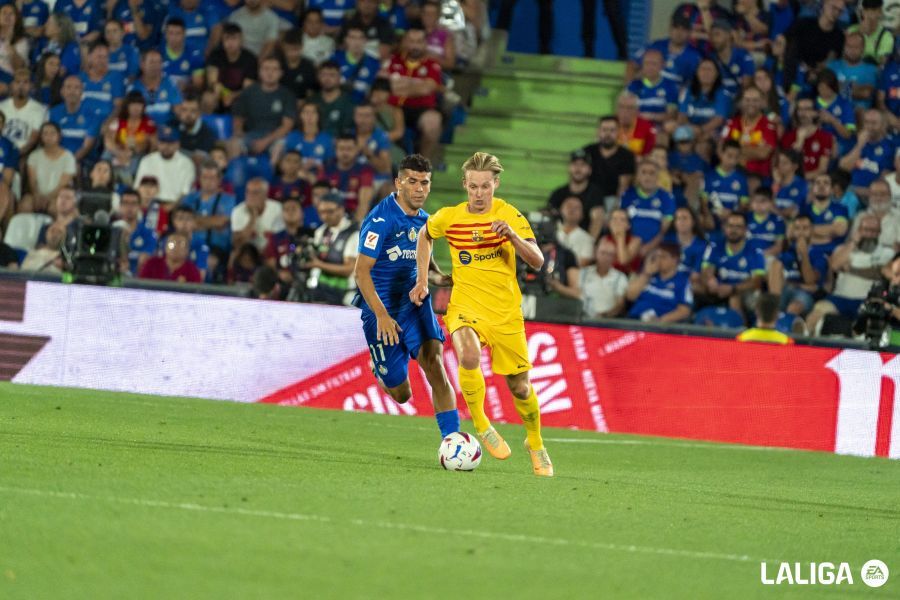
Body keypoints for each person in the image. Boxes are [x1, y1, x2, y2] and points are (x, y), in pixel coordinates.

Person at [410, 151, 553, 477]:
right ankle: (481, 422)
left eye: (485, 187)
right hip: (465, 306)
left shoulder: (509, 215)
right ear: (464, 185)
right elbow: (424, 236)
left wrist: (513, 237)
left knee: (520, 387)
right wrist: (424, 279)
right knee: (468, 356)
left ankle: (535, 442)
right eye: (473, 187)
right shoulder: (450, 217)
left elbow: (538, 261)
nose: (478, 193)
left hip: (504, 312)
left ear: (495, 184)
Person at [352, 153, 459, 438]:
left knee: (435, 364)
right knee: (401, 393)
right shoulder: (380, 220)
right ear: (398, 183)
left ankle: (452, 440)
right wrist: (382, 316)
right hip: (381, 311)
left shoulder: (426, 223)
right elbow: (361, 273)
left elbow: (429, 269)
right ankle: (380, 368)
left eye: (425, 182)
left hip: (414, 305)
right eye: (412, 181)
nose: (419, 188)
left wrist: (443, 278)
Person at [806, 214, 893, 333]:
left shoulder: (887, 253)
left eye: (874, 231)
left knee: (866, 325)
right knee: (816, 313)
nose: (869, 234)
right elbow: (834, 266)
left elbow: (880, 273)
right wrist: (853, 242)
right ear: (859, 230)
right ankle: (807, 347)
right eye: (866, 230)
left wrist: (851, 269)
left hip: (867, 300)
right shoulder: (844, 249)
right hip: (840, 297)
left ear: (879, 233)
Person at [383, 26, 443, 163]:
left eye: (419, 42)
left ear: (425, 44)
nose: (415, 46)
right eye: (411, 41)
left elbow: (427, 89)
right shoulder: (392, 61)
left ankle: (423, 165)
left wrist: (400, 85)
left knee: (433, 123)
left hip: (421, 108)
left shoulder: (432, 64)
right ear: (404, 42)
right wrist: (416, 85)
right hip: (393, 107)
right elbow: (386, 87)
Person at [701, 212, 766, 315]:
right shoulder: (715, 246)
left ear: (745, 230)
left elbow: (757, 281)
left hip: (744, 291)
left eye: (738, 227)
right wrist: (710, 280)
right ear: (724, 228)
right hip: (719, 288)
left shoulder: (754, 251)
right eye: (730, 226)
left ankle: (739, 329)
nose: (733, 230)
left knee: (734, 298)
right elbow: (706, 270)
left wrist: (733, 289)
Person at [231, 56, 296, 157]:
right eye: (266, 69)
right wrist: (239, 132)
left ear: (281, 73)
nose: (270, 73)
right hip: (251, 135)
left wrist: (266, 141)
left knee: (279, 147)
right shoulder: (248, 92)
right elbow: (238, 117)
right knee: (234, 144)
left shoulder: (287, 95)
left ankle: (270, 172)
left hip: (276, 137)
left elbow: (287, 126)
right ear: (259, 72)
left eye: (274, 69)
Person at [551, 237, 627, 319]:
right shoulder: (584, 273)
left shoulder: (620, 278)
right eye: (603, 253)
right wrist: (558, 287)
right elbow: (577, 294)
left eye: (610, 254)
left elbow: (620, 304)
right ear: (596, 253)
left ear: (614, 258)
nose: (606, 258)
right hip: (584, 320)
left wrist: (605, 316)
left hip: (609, 322)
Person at [768, 215, 828, 316]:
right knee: (775, 264)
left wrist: (804, 255)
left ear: (812, 230)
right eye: (797, 228)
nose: (801, 232)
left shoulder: (819, 255)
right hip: (784, 292)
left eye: (805, 228)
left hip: (805, 295)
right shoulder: (787, 253)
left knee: (794, 307)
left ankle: (783, 326)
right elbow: (776, 277)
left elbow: (810, 280)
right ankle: (774, 309)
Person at [306, 190, 359, 305]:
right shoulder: (321, 231)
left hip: (345, 294)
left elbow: (348, 269)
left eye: (330, 211)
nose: (325, 216)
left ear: (341, 209)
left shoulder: (353, 234)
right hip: (322, 290)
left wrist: (318, 264)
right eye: (321, 212)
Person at [625, 242, 693, 323]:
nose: (658, 260)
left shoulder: (682, 281)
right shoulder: (649, 274)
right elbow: (630, 296)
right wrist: (646, 274)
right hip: (634, 320)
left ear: (675, 260)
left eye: (663, 257)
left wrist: (661, 321)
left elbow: (684, 311)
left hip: (659, 326)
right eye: (657, 257)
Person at [619, 159, 675, 257]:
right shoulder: (627, 195)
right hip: (629, 245)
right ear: (638, 176)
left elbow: (664, 230)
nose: (647, 176)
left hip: (656, 247)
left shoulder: (667, 198)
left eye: (652, 173)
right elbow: (621, 223)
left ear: (657, 177)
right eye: (643, 172)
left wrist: (648, 247)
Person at [581, 116, 635, 215]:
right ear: (598, 131)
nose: (608, 134)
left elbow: (623, 186)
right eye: (604, 130)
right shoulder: (587, 152)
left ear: (618, 132)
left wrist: (615, 210)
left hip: (612, 199)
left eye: (612, 130)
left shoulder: (626, 156)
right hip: (589, 196)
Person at [546, 149, 605, 237]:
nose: (578, 169)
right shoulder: (558, 193)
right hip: (559, 239)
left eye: (582, 165)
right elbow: (548, 218)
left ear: (590, 170)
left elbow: (597, 221)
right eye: (575, 164)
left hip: (583, 240)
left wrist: (588, 243)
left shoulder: (595, 193)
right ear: (569, 167)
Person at [23, 122, 77, 215]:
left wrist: (48, 198)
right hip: (37, 195)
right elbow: (33, 181)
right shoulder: (34, 156)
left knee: (56, 208)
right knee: (25, 205)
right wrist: (37, 196)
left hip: (57, 196)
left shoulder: (68, 157)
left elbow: (63, 184)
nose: (49, 136)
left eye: (52, 133)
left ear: (59, 136)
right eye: (45, 133)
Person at [133, 125, 196, 204]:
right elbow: (138, 187)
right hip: (150, 204)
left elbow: (186, 193)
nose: (166, 146)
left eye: (170, 143)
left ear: (178, 144)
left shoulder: (186, 164)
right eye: (162, 142)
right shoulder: (147, 160)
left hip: (175, 205)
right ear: (158, 143)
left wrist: (170, 208)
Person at [205, 23, 258, 114]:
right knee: (208, 98)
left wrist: (232, 96)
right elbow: (212, 81)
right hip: (220, 94)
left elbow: (248, 88)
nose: (230, 43)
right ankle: (206, 125)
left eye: (234, 39)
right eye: (227, 38)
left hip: (239, 95)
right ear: (222, 40)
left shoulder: (250, 58)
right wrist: (224, 93)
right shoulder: (215, 55)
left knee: (249, 99)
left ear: (241, 40)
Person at [780, 96, 835, 182]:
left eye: (807, 109)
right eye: (800, 109)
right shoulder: (788, 136)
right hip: (790, 182)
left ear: (816, 113)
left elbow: (822, 169)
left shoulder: (825, 137)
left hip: (813, 182)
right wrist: (799, 142)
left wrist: (800, 179)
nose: (803, 113)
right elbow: (784, 166)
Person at [231, 176, 285, 252]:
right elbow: (237, 244)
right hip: (248, 254)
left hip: (272, 253)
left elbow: (281, 238)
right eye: (248, 191)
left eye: (255, 193)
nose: (250, 196)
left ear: (265, 195)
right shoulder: (238, 211)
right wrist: (252, 219)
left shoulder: (277, 208)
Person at [0, 68, 46, 153]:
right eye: (17, 82)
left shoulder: (39, 110)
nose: (21, 86)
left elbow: (33, 139)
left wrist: (14, 157)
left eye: (25, 82)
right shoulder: (1, 107)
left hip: (24, 154)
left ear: (31, 86)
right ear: (12, 85)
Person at [138, 230, 202, 283]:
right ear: (165, 247)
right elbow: (141, 286)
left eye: (181, 244)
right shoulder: (152, 263)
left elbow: (197, 294)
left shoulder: (193, 270)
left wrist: (185, 287)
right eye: (171, 244)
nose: (176, 248)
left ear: (187, 250)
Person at [555, 196, 594, 267]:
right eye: (569, 206)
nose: (572, 209)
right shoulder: (551, 231)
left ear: (582, 214)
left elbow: (583, 264)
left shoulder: (587, 239)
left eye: (576, 208)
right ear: (561, 209)